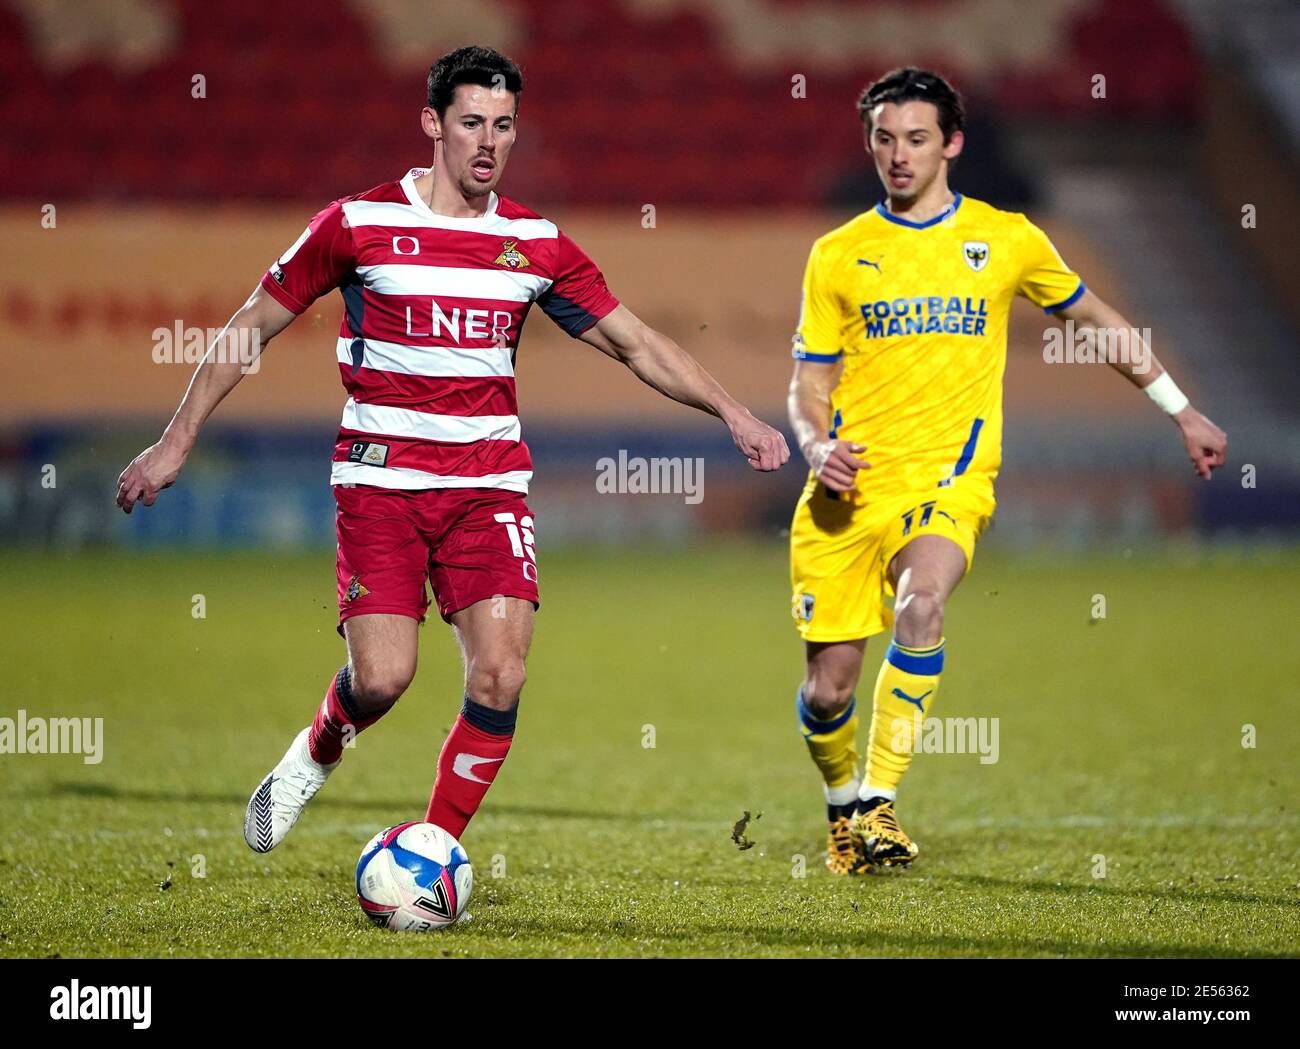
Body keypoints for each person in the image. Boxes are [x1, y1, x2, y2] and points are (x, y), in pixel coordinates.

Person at [115, 46, 789, 853]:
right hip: (381, 486)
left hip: (487, 489)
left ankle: (432, 851)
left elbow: (635, 342)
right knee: (384, 677)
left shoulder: (535, 243)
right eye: (472, 122)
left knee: (501, 670)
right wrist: (175, 440)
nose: (488, 142)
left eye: (504, 126)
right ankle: (318, 747)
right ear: (433, 122)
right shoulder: (358, 223)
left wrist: (733, 414)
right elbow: (251, 325)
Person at [785, 67, 1227, 874]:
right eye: (884, 139)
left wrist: (1180, 407)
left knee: (922, 607)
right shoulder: (838, 254)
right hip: (846, 492)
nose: (899, 155)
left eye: (917, 138)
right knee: (828, 690)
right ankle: (843, 808)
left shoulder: (1007, 239)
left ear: (951, 143)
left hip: (950, 482)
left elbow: (1093, 318)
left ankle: (879, 801)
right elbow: (809, 381)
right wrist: (817, 446)